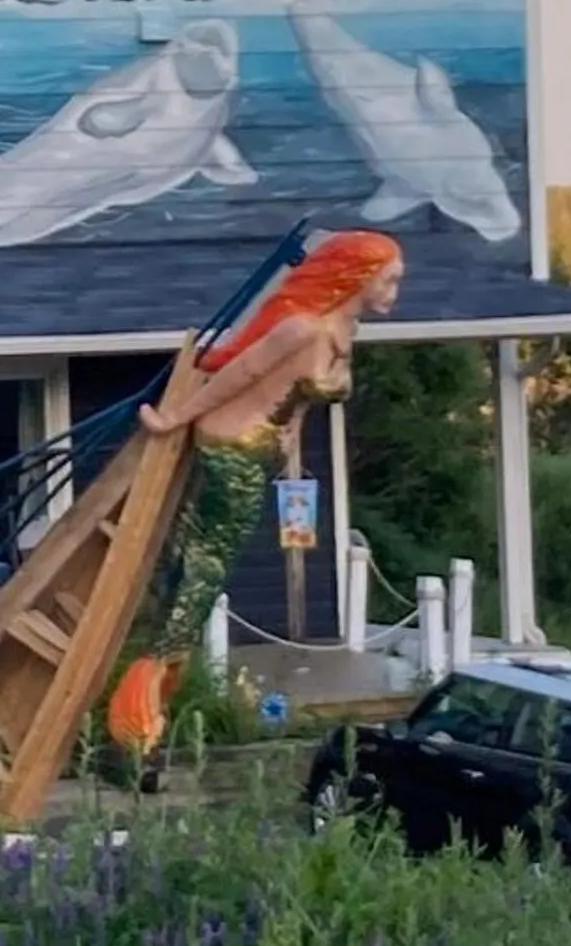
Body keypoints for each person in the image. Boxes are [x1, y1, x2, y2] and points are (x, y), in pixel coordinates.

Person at [106, 230, 407, 756]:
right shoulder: (302, 329)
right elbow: (238, 372)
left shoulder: (343, 327)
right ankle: (147, 686)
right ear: (359, 277)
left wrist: (291, 438)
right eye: (390, 280)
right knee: (210, 562)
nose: (396, 293)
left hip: (263, 448)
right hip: (233, 445)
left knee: (201, 554)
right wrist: (174, 417)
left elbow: (306, 396)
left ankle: (157, 664)